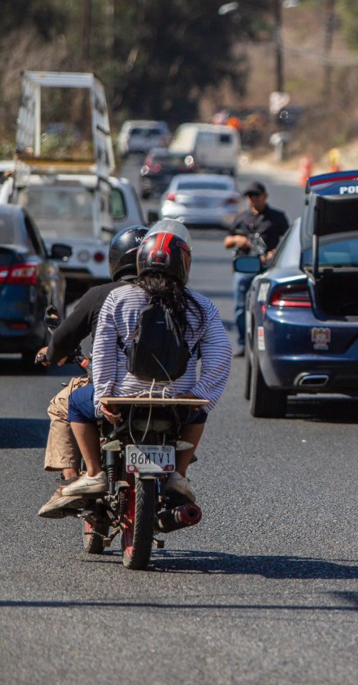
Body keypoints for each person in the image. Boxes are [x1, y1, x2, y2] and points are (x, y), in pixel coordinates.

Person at [57, 224, 232, 504]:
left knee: (77, 403)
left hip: (122, 398)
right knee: (199, 412)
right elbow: (221, 353)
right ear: (183, 264)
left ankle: (93, 473)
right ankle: (180, 475)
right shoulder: (201, 307)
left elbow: (101, 351)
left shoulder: (118, 298)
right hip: (177, 401)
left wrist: (104, 396)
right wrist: (200, 395)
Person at [36, 225, 148, 518]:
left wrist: (51, 354)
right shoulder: (172, 296)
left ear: (117, 260)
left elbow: (63, 338)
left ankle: (74, 480)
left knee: (64, 404)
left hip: (113, 388)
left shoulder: (102, 294)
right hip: (168, 391)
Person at [224, 181, 290, 355]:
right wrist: (237, 241)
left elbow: (288, 241)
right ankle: (243, 344)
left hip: (268, 269)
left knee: (269, 307)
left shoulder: (277, 217)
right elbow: (227, 242)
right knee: (240, 307)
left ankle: (267, 345)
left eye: (256, 196)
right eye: (249, 196)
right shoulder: (241, 218)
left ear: (265, 197)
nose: (253, 199)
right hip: (244, 268)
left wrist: (275, 253)